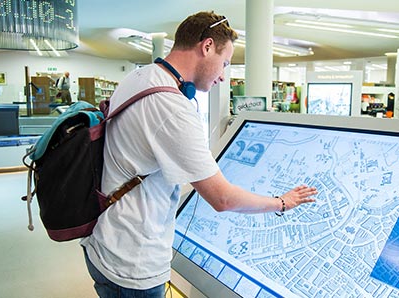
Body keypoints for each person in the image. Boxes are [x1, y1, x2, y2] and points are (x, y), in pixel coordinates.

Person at [80, 11, 317, 297]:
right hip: (133, 261)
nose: (223, 75)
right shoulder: (172, 105)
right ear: (206, 47)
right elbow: (223, 198)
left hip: (107, 240)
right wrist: (282, 202)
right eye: (225, 62)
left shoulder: (141, 77)